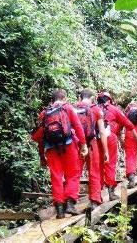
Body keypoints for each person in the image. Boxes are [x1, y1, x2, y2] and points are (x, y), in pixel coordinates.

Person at [31, 89, 88, 219]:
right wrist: (83, 145)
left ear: (51, 100)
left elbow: (40, 138)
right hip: (69, 146)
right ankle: (70, 203)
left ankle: (60, 209)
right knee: (73, 174)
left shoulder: (44, 113)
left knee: (56, 177)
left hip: (51, 150)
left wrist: (41, 156)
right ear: (65, 98)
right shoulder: (68, 108)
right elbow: (78, 126)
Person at [97, 92, 137, 201]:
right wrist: (136, 137)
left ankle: (96, 196)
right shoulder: (113, 109)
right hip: (109, 137)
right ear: (109, 100)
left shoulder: (93, 108)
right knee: (110, 164)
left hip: (96, 139)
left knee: (97, 166)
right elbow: (128, 124)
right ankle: (111, 192)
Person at [74, 89, 109, 210]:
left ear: (80, 97)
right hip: (91, 143)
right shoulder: (96, 109)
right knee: (94, 171)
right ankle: (94, 200)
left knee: (75, 173)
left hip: (77, 143)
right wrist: (106, 151)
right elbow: (102, 132)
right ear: (92, 97)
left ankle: (69, 201)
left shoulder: (73, 108)